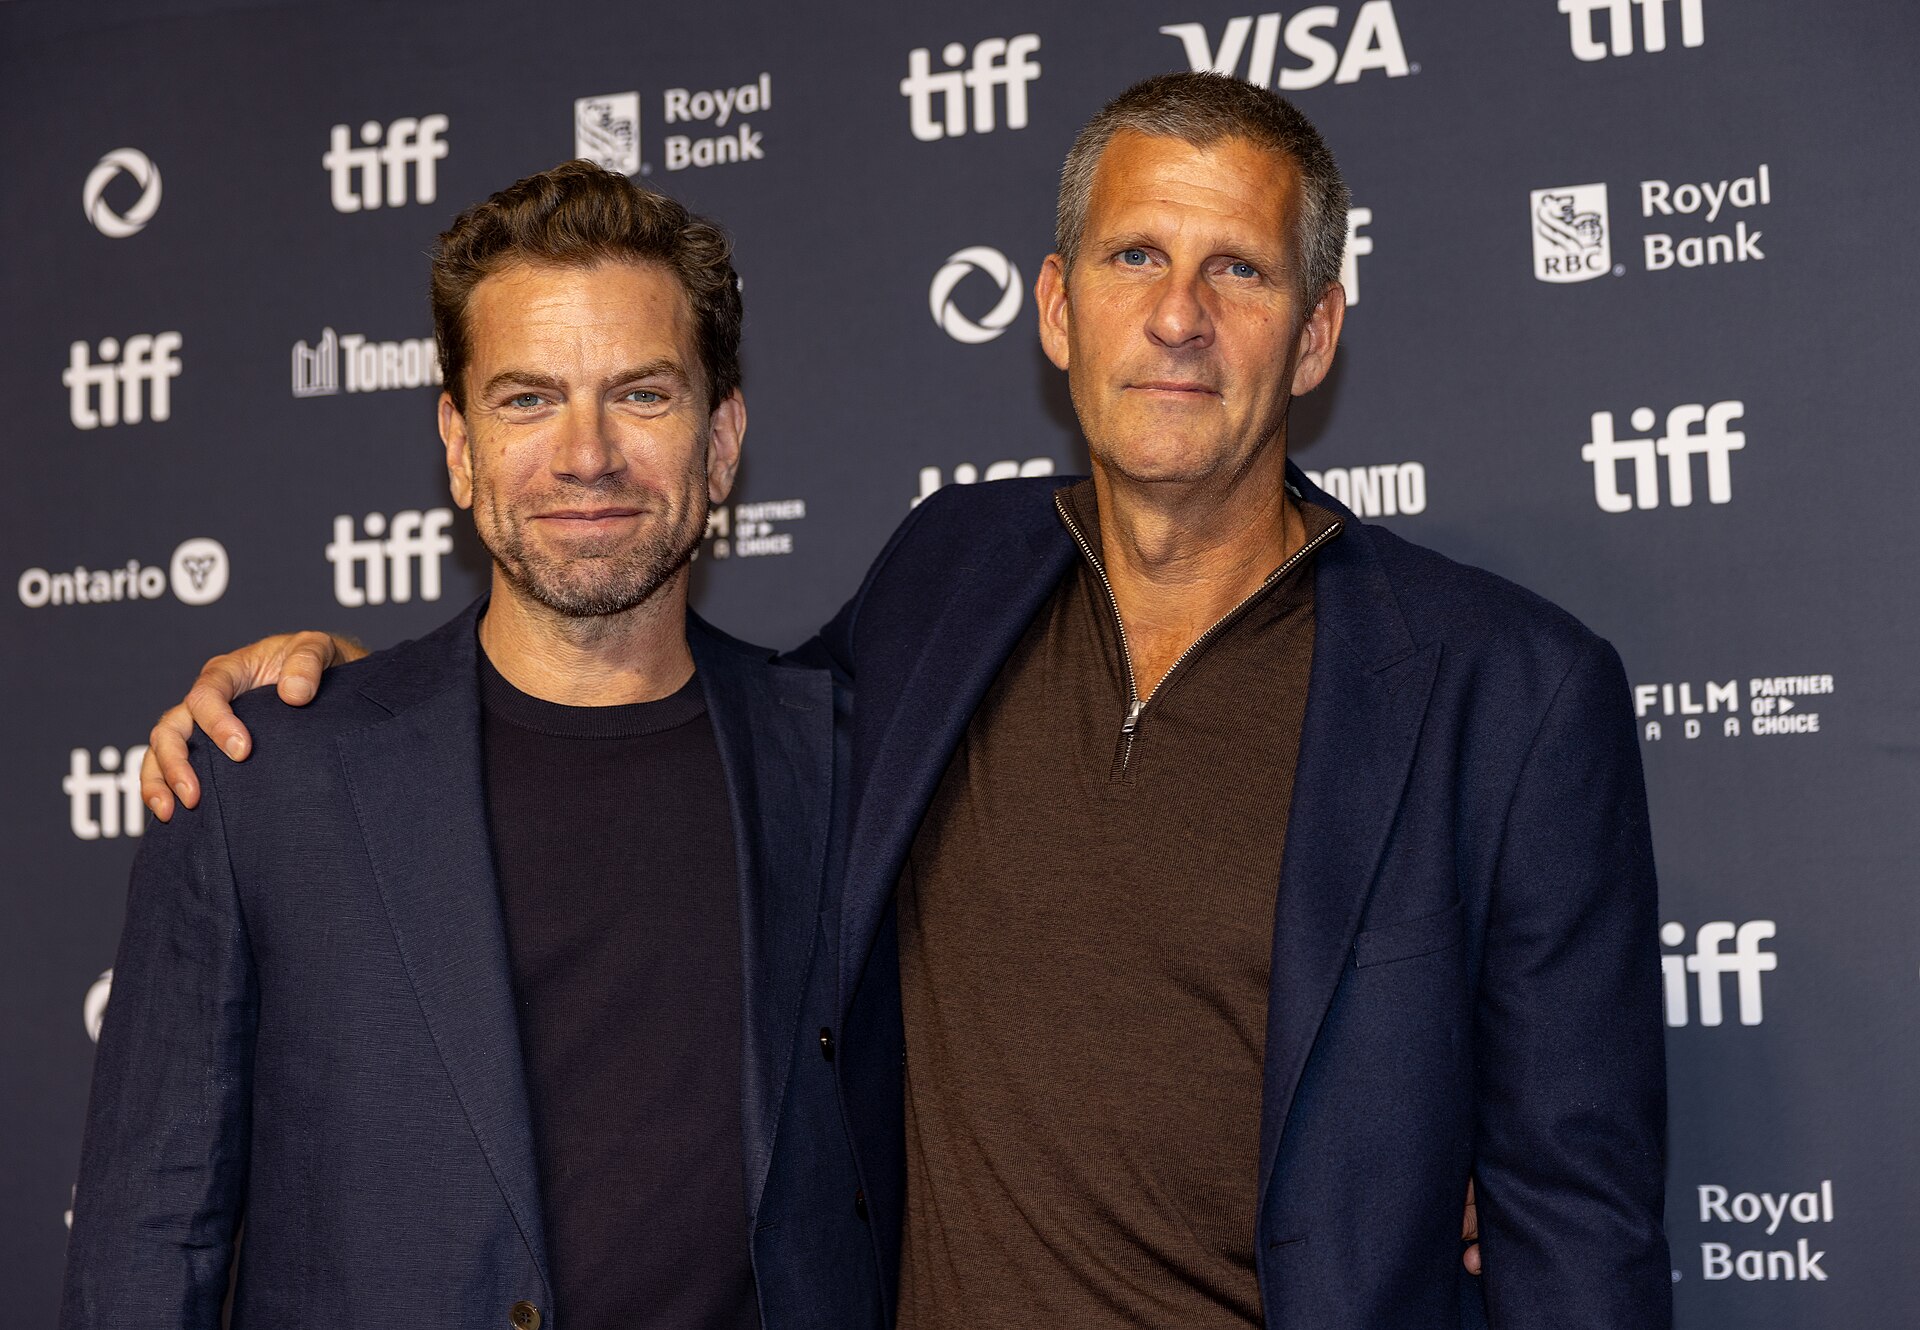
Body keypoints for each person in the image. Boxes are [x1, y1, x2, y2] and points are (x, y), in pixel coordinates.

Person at [142, 75, 1664, 1327]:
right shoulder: (951, 574)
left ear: (1317, 331)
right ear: (1058, 310)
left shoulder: (1509, 696)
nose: (1180, 317)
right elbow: (646, 699)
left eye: (1239, 270)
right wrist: (345, 702)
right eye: (1137, 258)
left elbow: (1576, 1222)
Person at [65, 164, 881, 1330]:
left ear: (723, 440)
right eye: (527, 398)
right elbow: (151, 1242)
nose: (586, 454)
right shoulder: (266, 780)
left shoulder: (853, 765)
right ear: (457, 443)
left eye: (643, 395)